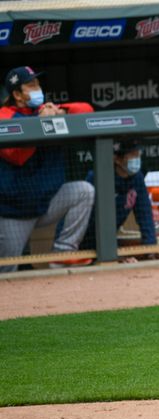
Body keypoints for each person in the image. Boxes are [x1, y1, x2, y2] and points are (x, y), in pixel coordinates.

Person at [0, 66, 95, 272]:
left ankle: (63, 253)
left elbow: (87, 111)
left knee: (83, 191)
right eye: (31, 85)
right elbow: (16, 156)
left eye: (38, 83)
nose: (37, 88)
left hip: (47, 204)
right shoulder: (5, 114)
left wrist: (61, 111)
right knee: (7, 272)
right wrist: (40, 123)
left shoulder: (46, 110)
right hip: (14, 213)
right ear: (16, 94)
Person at [77, 140, 159, 259]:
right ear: (117, 159)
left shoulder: (137, 178)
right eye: (132, 155)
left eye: (138, 154)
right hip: (83, 242)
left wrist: (151, 249)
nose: (137, 159)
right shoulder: (97, 177)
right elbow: (91, 223)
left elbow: (145, 215)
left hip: (108, 242)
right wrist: (113, 255)